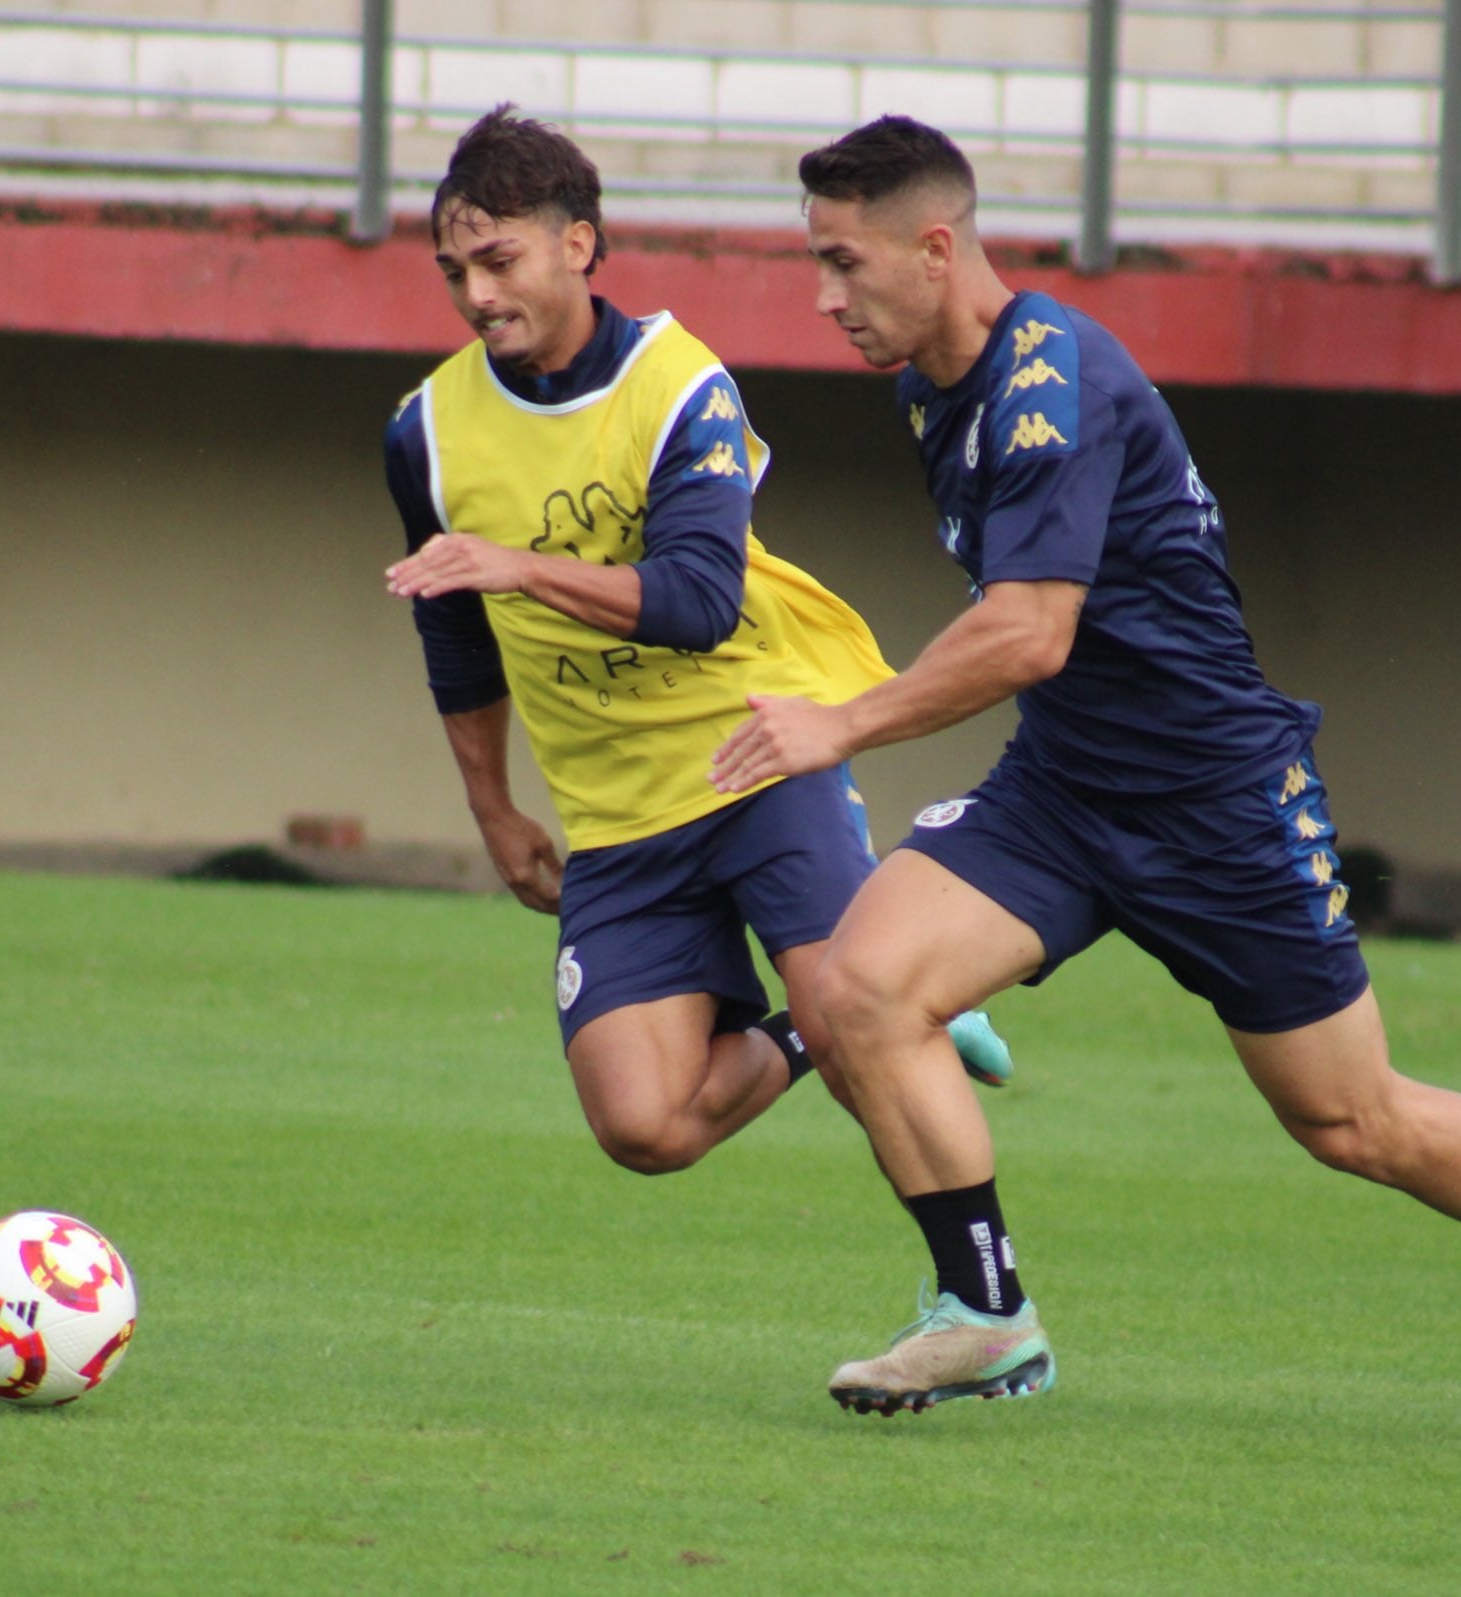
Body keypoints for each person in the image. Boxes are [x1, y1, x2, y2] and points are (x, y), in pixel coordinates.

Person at [708, 115, 1461, 1444]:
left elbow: (1027, 630)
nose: (823, 297)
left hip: (1219, 801)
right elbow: (1044, 647)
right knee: (863, 988)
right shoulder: (933, 383)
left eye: (843, 264)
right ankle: (982, 1310)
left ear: (936, 248)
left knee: (1353, 1121)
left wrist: (841, 722)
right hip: (1064, 789)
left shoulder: (1051, 385)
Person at [380, 105, 1014, 1183]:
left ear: (577, 244)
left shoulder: (678, 385)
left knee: (870, 1052)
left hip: (757, 755)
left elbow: (697, 600)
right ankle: (849, 1013)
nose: (475, 294)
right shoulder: (424, 433)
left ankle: (982, 1305)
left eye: (497, 259)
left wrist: (520, 564)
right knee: (645, 1125)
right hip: (618, 812)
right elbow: (456, 635)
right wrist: (493, 807)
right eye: (453, 272)